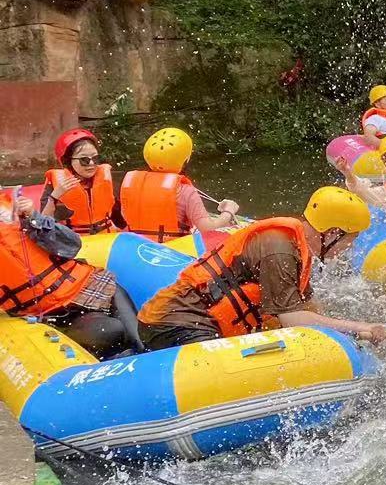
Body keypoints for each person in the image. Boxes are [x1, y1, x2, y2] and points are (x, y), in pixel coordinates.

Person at [138, 186, 386, 349]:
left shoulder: (296, 246)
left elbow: (310, 308)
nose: (350, 248)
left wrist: (353, 336)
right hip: (174, 323)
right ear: (332, 233)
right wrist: (361, 326)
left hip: (200, 322)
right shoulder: (280, 250)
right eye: (350, 240)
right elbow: (293, 319)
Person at [1, 203, 142, 356]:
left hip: (92, 285)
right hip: (56, 314)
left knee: (138, 338)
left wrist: (35, 218)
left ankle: (144, 351)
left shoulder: (18, 220)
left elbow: (73, 245)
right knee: (111, 330)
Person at [119, 128, 240, 242]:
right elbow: (208, 229)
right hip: (172, 253)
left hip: (135, 248)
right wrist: (228, 212)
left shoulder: (130, 184)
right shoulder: (186, 191)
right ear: (185, 160)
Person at [41, 128, 120, 234]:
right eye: (84, 160)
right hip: (74, 242)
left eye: (95, 158)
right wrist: (53, 198)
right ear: (68, 161)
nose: (91, 163)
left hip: (106, 240)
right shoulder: (56, 185)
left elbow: (120, 218)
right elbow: (43, 226)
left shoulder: (106, 179)